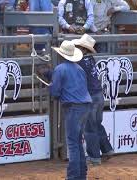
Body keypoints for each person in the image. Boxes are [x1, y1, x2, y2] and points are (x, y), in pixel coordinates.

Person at [50, 40, 92, 180]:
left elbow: (55, 92)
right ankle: (81, 174)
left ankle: (74, 176)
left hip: (73, 107)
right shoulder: (79, 69)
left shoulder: (60, 69)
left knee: (73, 143)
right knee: (78, 141)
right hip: (85, 105)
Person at [73, 34, 114, 165]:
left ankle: (94, 157)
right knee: (97, 124)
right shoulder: (90, 59)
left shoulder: (79, 62)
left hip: (89, 97)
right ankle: (107, 150)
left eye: (79, 46)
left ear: (83, 49)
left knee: (89, 127)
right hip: (98, 95)